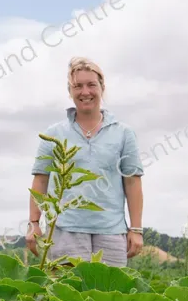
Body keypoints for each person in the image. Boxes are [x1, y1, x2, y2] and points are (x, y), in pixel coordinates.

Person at [26, 57, 145, 266]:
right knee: (66, 294)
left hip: (111, 231)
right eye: (77, 86)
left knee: (110, 296)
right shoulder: (53, 134)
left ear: (102, 87)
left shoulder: (123, 133)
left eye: (91, 84)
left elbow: (132, 182)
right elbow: (41, 181)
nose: (85, 92)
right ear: (70, 91)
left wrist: (135, 229)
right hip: (64, 230)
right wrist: (34, 223)